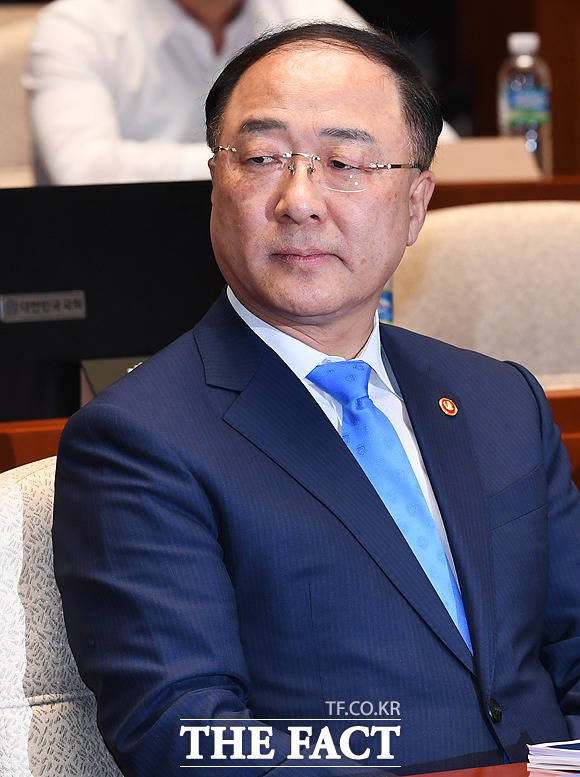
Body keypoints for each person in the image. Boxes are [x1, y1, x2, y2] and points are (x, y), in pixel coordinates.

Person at [53, 22, 580, 777]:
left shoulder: (501, 399)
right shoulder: (139, 438)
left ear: (416, 203)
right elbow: (187, 733)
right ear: (215, 184)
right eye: (262, 158)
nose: (299, 200)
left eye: (345, 163)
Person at [25, 0, 458, 187]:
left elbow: (437, 146)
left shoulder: (307, 11)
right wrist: (254, 161)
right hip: (121, 252)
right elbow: (83, 169)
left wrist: (270, 163)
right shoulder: (78, 25)